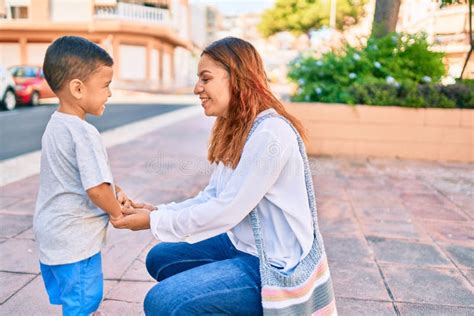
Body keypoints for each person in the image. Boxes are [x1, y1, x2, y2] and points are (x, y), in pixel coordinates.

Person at [116, 37, 329, 315]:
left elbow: (226, 210)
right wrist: (158, 211)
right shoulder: (238, 127)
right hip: (242, 242)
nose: (197, 89)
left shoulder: (270, 134)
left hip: (270, 264)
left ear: (237, 78)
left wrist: (154, 221)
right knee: (160, 257)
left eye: (206, 79)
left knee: (162, 302)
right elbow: (214, 196)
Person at [33, 36, 129, 315]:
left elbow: (80, 176)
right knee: (85, 299)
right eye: (106, 85)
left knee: (71, 298)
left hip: (53, 236)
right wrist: (117, 213)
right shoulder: (84, 133)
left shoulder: (55, 125)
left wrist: (117, 191)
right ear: (78, 88)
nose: (109, 93)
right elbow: (97, 188)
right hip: (76, 241)